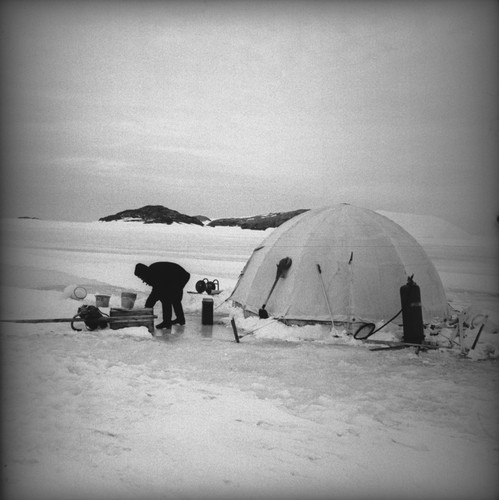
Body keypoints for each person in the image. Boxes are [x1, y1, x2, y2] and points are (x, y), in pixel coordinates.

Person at [134, 262, 190, 329]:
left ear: (143, 273)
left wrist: (147, 306)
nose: (141, 279)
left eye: (140, 276)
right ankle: (180, 319)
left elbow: (155, 293)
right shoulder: (151, 272)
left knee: (165, 298)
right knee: (174, 298)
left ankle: (167, 322)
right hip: (177, 276)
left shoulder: (154, 274)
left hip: (180, 277)